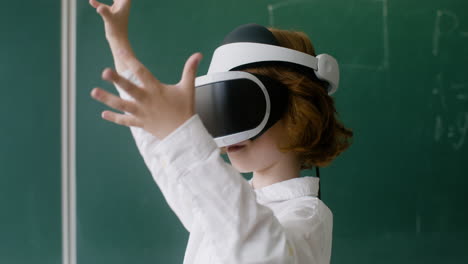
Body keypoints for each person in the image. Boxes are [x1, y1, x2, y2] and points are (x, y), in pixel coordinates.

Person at [89, 0, 353, 263]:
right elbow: (172, 163)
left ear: (299, 111)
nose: (231, 131)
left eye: (241, 107)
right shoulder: (217, 206)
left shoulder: (307, 216)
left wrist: (179, 132)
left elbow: (257, 245)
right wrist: (120, 46)